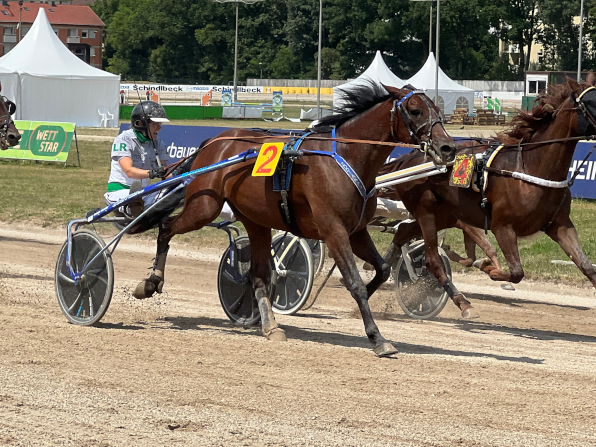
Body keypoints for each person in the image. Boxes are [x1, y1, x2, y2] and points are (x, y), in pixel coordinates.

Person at [104, 100, 169, 219]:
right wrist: (151, 173)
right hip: (119, 192)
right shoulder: (124, 139)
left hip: (144, 193)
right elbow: (129, 171)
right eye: (155, 124)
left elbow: (167, 173)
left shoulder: (158, 142)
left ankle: (139, 207)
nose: (159, 127)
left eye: (160, 124)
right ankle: (133, 206)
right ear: (141, 123)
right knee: (135, 196)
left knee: (171, 193)